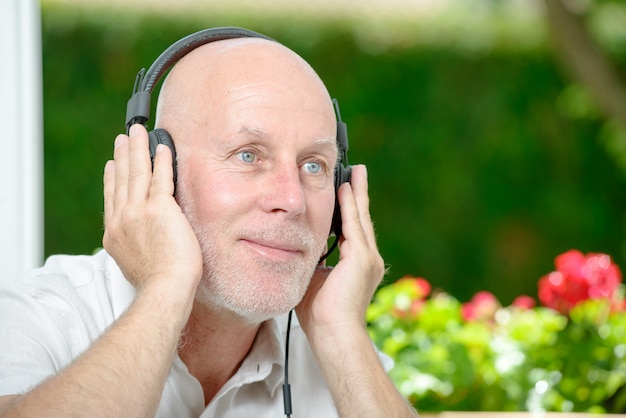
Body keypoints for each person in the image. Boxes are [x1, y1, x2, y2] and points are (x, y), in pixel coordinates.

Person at [0, 27, 418, 417]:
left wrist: (339, 332)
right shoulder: (32, 319)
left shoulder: (339, 350)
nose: (292, 201)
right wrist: (166, 287)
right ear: (155, 171)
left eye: (313, 165)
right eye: (248, 155)